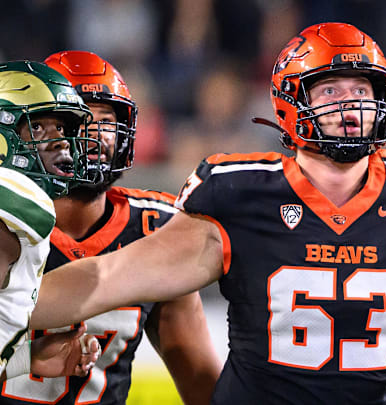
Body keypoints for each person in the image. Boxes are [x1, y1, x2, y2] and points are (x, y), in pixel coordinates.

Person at [30, 23, 386, 404]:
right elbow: (108, 276)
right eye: (331, 90)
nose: (350, 105)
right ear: (293, 103)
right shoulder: (239, 195)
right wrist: (14, 307)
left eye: (361, 88)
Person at [0, 51, 222, 405]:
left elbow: (203, 384)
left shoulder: (156, 229)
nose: (95, 135)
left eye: (105, 119)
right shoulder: (6, 222)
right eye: (75, 120)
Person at [0, 61, 101, 382]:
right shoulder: (23, 206)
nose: (62, 141)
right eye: (40, 127)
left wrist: (25, 358)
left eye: (63, 129)